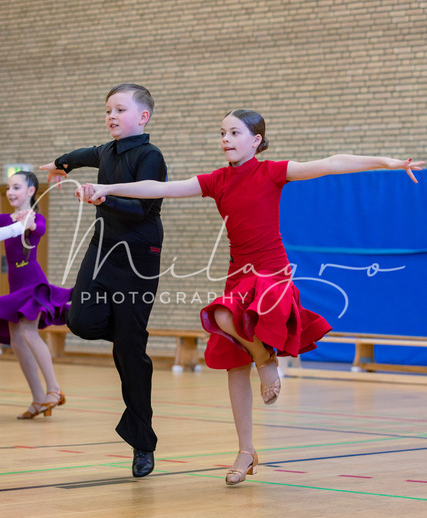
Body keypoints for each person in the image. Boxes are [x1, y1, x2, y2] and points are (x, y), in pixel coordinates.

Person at [81, 108, 424, 486]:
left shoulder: (272, 172)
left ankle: (265, 359)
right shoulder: (217, 180)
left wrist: (387, 162)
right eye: (222, 133)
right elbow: (161, 188)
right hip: (238, 274)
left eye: (234, 133)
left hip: (271, 272)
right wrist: (108, 189)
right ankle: (246, 450)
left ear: (256, 140)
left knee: (222, 316)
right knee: (234, 361)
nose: (225, 139)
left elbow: (331, 163)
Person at [40, 83, 167, 478]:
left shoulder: (150, 156)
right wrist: (61, 163)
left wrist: (103, 198)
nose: (111, 115)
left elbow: (142, 208)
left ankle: (142, 444)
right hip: (103, 248)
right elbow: (85, 154)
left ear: (142, 117)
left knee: (130, 353)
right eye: (108, 110)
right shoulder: (106, 151)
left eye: (120, 110)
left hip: (138, 254)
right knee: (80, 320)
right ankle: (130, 334)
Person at [0, 171, 72, 419]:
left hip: (33, 284)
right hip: (15, 286)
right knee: (17, 341)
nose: (10, 192)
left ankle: (54, 389)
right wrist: (16, 222)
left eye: (16, 187)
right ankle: (39, 398)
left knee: (28, 333)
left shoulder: (37, 217)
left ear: (31, 191)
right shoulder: (4, 219)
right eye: (8, 188)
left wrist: (28, 223)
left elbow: (37, 228)